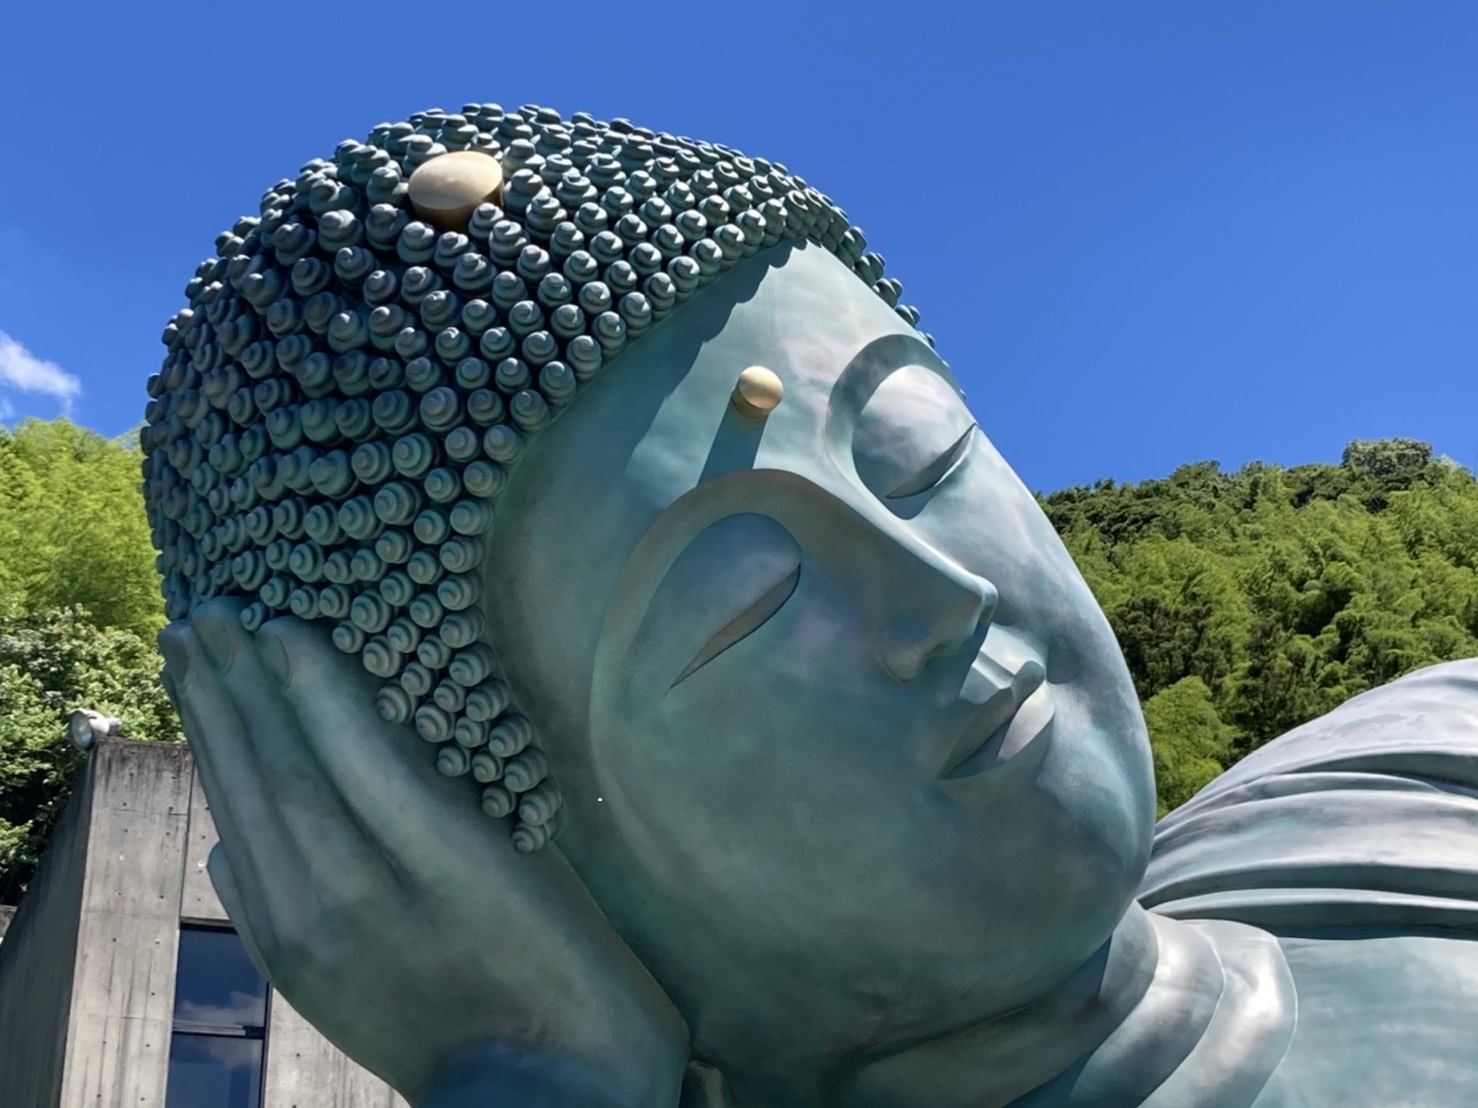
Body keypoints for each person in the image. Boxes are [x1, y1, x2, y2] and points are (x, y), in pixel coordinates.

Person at [151, 104, 1478, 1108]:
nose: (940, 597)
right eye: (742, 608)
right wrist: (526, 1073)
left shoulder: (1417, 795)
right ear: (449, 855)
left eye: (918, 455)